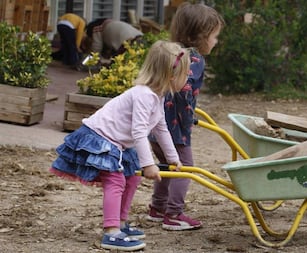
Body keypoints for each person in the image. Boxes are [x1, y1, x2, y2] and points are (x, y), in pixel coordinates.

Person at [49, 40, 190, 251]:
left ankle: (122, 222)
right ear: (171, 76)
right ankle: (111, 232)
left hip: (117, 142)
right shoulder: (144, 95)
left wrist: (172, 158)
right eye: (185, 74)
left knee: (131, 177)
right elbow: (139, 132)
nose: (188, 78)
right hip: (101, 137)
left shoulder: (158, 96)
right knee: (115, 180)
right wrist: (149, 164)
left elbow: (161, 129)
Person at [146, 2, 224, 231]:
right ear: (200, 36)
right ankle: (174, 213)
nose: (215, 41)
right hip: (175, 127)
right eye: (214, 36)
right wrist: (188, 115)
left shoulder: (171, 53)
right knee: (184, 166)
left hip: (155, 123)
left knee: (166, 165)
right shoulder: (194, 59)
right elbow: (184, 89)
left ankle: (158, 208)